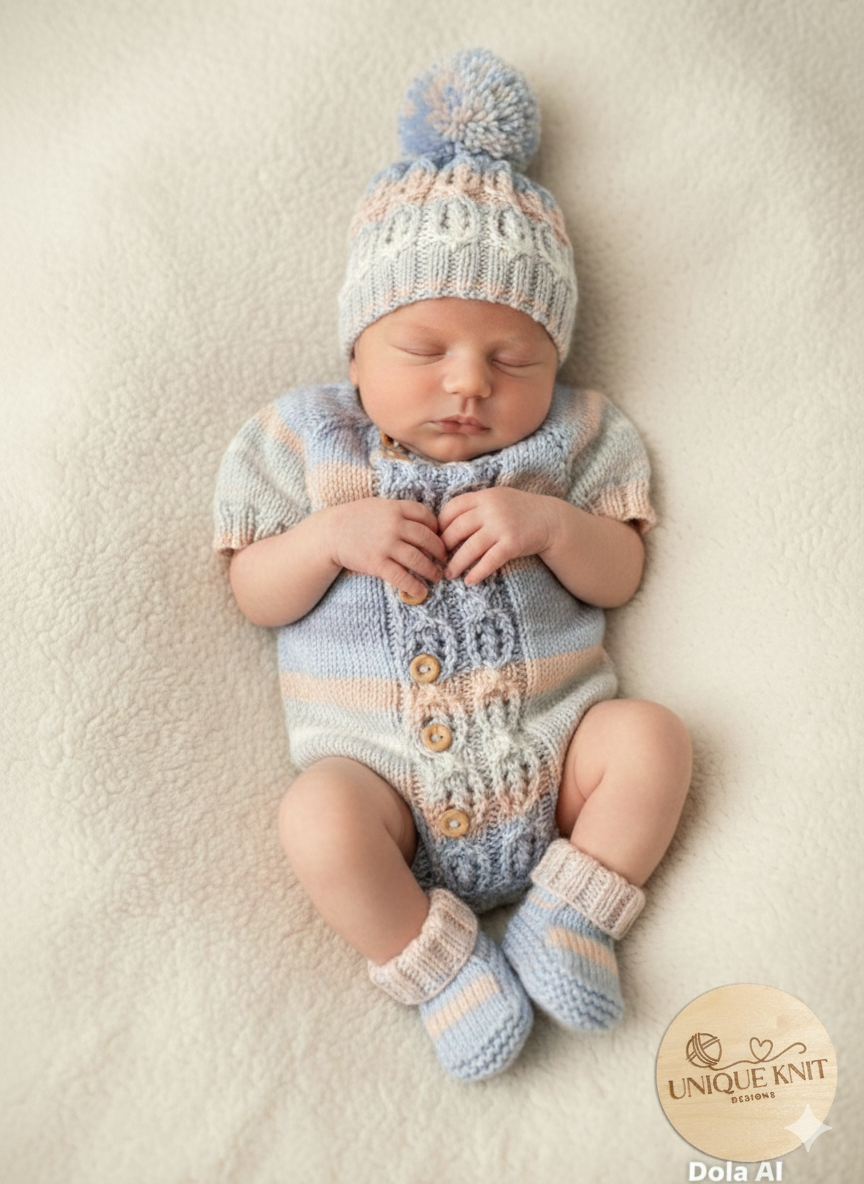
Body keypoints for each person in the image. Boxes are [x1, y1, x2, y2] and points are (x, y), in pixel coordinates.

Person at [213, 48, 691, 1082]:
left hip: (559, 760)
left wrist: (554, 527)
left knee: (653, 739)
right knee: (316, 819)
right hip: (382, 783)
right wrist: (327, 540)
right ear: (355, 354)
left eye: (513, 358)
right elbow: (253, 589)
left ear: (556, 363)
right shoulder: (306, 443)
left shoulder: (575, 442)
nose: (469, 383)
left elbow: (621, 574)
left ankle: (570, 915)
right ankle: (440, 968)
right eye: (425, 350)